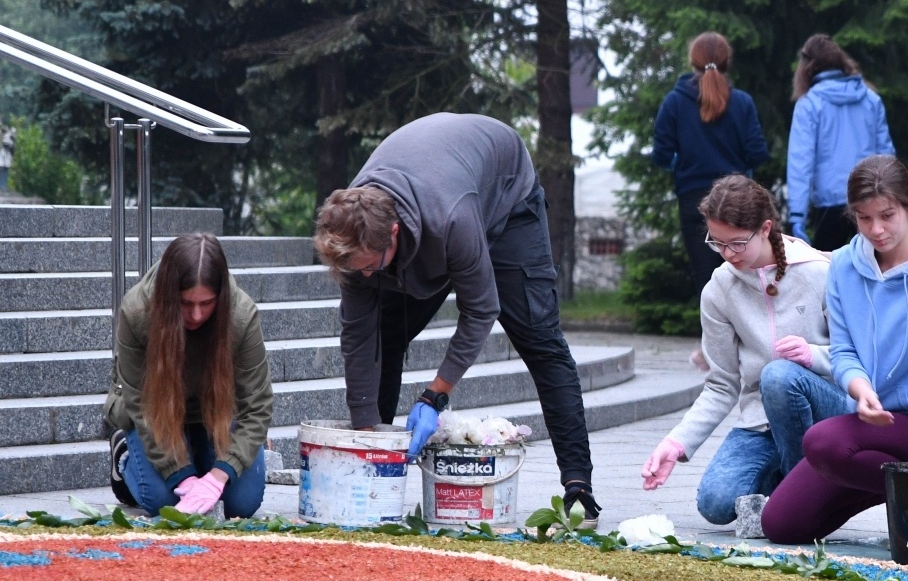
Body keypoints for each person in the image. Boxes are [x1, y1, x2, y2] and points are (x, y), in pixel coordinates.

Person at [312, 112, 601, 525]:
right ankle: (376, 481)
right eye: (357, 270)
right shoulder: (355, 240)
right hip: (441, 193)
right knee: (385, 335)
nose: (363, 277)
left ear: (392, 234)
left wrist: (435, 395)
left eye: (369, 267)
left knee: (541, 341)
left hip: (505, 195)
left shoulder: (451, 218)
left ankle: (579, 485)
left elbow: (482, 308)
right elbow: (359, 340)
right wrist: (367, 437)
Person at [761, 156, 908, 542]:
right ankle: (906, 492)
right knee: (780, 524)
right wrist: (861, 390)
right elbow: (843, 352)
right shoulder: (843, 265)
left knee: (822, 441)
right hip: (877, 427)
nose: (876, 229)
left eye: (887, 215)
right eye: (863, 218)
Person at [639, 176, 848, 522]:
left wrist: (814, 355)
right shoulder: (719, 291)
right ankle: (789, 486)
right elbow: (722, 385)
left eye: (737, 243)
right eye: (717, 243)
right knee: (716, 503)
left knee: (779, 375)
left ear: (765, 229)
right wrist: (675, 444)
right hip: (761, 421)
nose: (727, 254)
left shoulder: (818, 273)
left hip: (825, 409)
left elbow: (855, 356)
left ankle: (806, 499)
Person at [105, 233, 271, 518]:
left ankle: (202, 458)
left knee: (242, 503)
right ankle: (124, 453)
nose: (195, 315)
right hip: (156, 414)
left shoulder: (241, 315)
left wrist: (218, 476)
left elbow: (258, 407)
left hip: (212, 414)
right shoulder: (136, 312)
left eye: (206, 303)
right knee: (163, 502)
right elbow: (140, 405)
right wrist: (181, 476)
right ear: (169, 296)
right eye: (184, 303)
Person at [653, 32, 770, 298]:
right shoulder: (742, 102)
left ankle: (712, 339)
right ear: (727, 61)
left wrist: (682, 164)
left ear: (692, 61)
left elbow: (661, 154)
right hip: (738, 200)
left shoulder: (674, 102)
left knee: (706, 282)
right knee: (744, 279)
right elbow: (757, 153)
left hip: (694, 198)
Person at [786, 34, 895, 252]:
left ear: (806, 66)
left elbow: (801, 160)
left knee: (825, 272)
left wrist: (797, 214)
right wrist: (893, 198)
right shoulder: (870, 99)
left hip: (830, 202)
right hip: (870, 196)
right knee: (878, 267)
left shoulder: (809, 104)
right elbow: (886, 155)